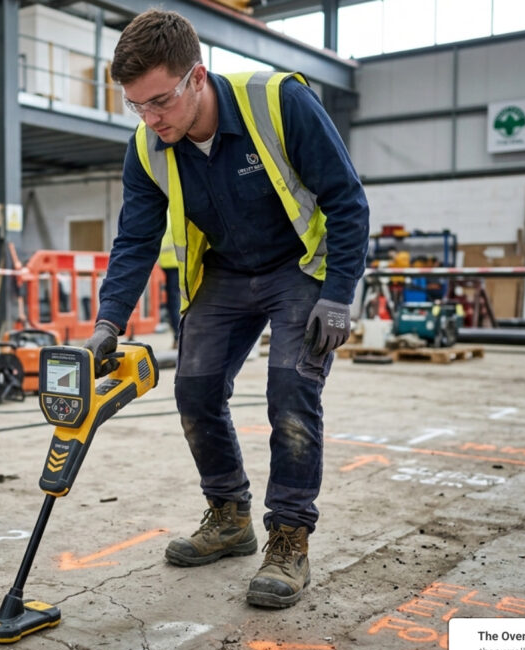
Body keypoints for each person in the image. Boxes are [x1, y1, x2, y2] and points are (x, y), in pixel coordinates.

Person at [82, 10, 369, 609]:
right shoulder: (148, 147)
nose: (151, 118)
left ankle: (289, 537)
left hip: (298, 269)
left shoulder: (279, 101)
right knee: (194, 389)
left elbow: (346, 199)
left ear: (197, 77)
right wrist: (109, 322)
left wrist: (339, 293)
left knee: (291, 388)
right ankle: (229, 514)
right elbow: (135, 240)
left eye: (160, 101)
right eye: (138, 106)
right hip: (225, 273)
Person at [158, 227, 181, 348]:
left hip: (177, 262)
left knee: (174, 302)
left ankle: (179, 337)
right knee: (173, 302)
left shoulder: (171, 212)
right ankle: (178, 336)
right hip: (169, 264)